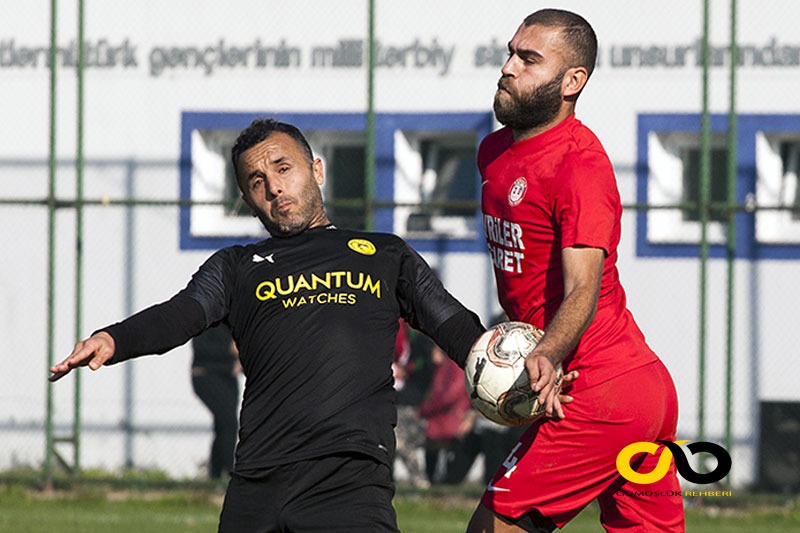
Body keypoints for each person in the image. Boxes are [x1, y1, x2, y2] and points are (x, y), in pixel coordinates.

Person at [49, 118, 487, 532]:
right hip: (257, 481)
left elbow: (451, 322)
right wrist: (115, 338)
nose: (274, 187)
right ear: (246, 199)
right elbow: (181, 314)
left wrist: (515, 370)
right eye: (257, 182)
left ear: (316, 169)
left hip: (348, 478)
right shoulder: (236, 267)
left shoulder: (385, 255)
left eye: (283, 168)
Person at [467, 9, 684, 533]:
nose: (508, 67)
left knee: (493, 528)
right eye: (511, 52)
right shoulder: (493, 153)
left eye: (529, 59)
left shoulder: (580, 167)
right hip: (637, 389)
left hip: (597, 388)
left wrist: (547, 351)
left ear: (572, 81)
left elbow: (584, 286)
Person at [417, 344, 473, 484]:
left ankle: (433, 480)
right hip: (444, 416)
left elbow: (448, 395)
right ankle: (433, 479)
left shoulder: (453, 366)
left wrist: (425, 410)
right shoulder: (445, 366)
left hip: (449, 417)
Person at [190, 324, 240, 480]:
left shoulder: (235, 320)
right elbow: (203, 348)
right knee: (228, 423)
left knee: (223, 424)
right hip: (207, 376)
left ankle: (216, 475)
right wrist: (229, 350)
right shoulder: (207, 319)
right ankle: (229, 471)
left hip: (228, 379)